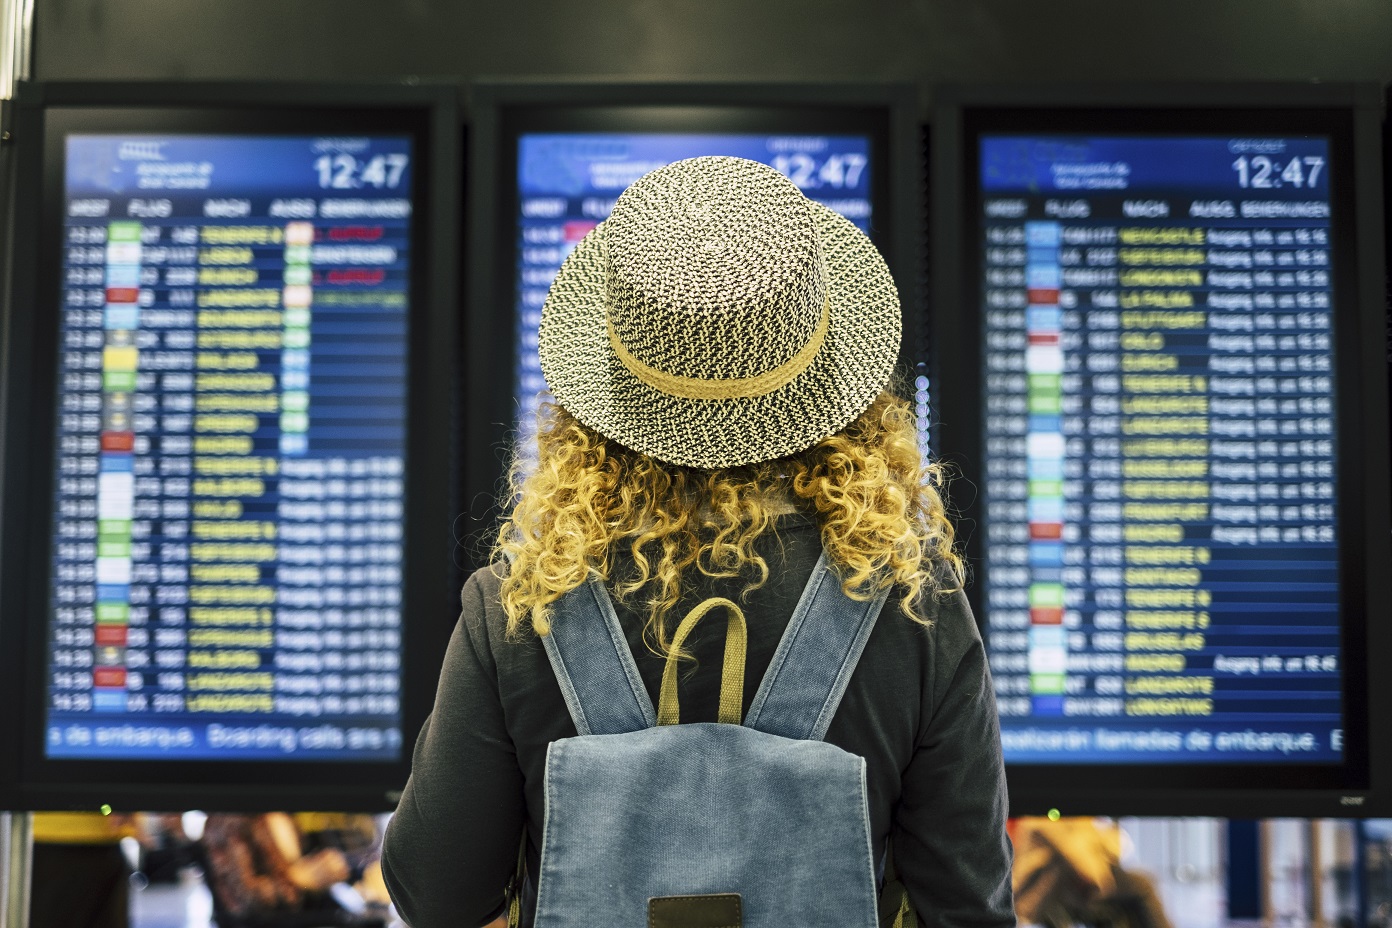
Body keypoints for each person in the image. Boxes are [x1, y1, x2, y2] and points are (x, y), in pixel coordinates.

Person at [382, 156, 1014, 926]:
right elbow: (969, 907)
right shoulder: (915, 610)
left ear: (597, 403)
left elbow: (435, 892)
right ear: (841, 389)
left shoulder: (519, 607)